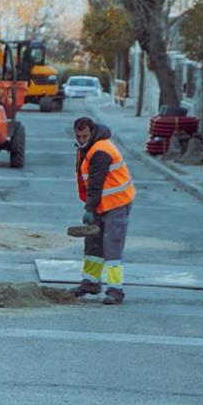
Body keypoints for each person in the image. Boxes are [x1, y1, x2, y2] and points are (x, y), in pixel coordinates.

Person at [72, 116, 135, 305]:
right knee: (93, 243)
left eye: (84, 136)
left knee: (112, 245)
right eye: (78, 136)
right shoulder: (88, 147)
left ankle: (116, 290)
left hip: (116, 203)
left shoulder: (100, 150)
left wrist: (89, 209)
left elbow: (96, 183)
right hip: (102, 203)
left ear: (92, 132)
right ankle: (90, 283)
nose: (81, 139)